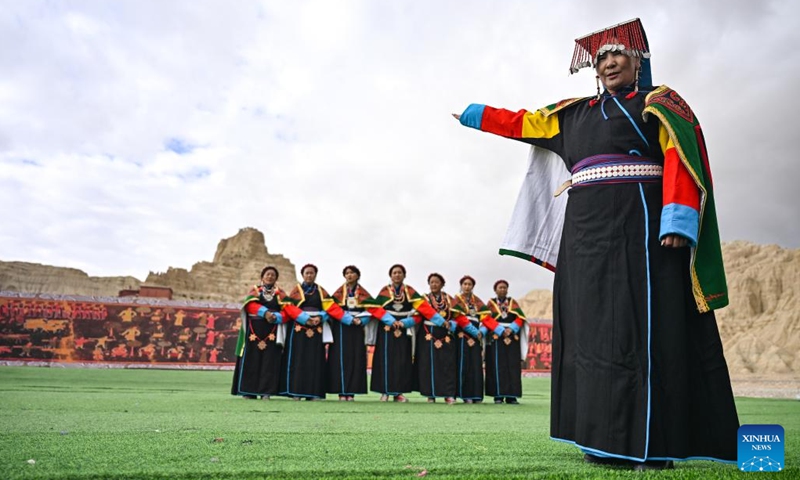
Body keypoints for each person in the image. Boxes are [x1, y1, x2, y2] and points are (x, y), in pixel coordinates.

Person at [455, 18, 738, 470]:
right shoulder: (573, 114)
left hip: (642, 229)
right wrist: (476, 114)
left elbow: (680, 156)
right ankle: (597, 439)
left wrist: (678, 219)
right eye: (602, 57)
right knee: (587, 335)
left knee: (640, 331)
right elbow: (522, 122)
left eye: (618, 54)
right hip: (584, 237)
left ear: (637, 62)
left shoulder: (658, 103)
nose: (609, 63)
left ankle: (651, 445)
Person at [366, 264, 445, 402]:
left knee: (402, 360)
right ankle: (385, 391)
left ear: (404, 275)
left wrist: (441, 321)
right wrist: (390, 320)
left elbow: (424, 309)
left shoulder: (410, 291)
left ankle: (398, 393)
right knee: (385, 359)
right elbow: (374, 308)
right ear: (390, 276)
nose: (397, 275)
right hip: (386, 328)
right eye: (394, 273)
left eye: (400, 273)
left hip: (403, 329)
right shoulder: (385, 291)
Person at [281, 264, 353, 400]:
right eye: (307, 273)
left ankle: (314, 393)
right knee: (298, 359)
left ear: (315, 275)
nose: (309, 275)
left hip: (317, 328)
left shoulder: (321, 291)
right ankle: (296, 392)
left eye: (312, 273)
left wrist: (320, 317)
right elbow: (289, 308)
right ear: (303, 275)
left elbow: (330, 308)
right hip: (299, 329)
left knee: (315, 360)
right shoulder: (296, 291)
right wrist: (305, 318)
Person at [328, 265, 393, 401]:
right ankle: (341, 391)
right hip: (342, 327)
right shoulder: (339, 293)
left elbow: (373, 309)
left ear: (358, 275)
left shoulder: (363, 294)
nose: (349, 275)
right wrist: (348, 319)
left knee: (355, 357)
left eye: (352, 273)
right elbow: (331, 308)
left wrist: (362, 320)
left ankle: (351, 392)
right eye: (347, 273)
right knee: (340, 358)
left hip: (358, 328)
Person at [231, 266, 289, 400]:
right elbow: (249, 305)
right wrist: (265, 313)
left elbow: (288, 311)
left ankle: (266, 392)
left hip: (272, 331)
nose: (270, 277)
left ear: (276, 279)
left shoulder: (281, 294)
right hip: (253, 330)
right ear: (262, 277)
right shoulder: (256, 290)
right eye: (267, 274)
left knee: (270, 361)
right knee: (252, 359)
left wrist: (276, 317)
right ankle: (248, 391)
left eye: (273, 275)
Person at [416, 273, 464, 404]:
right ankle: (430, 394)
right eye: (431, 282)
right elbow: (417, 316)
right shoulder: (424, 299)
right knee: (429, 364)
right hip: (427, 334)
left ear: (442, 284)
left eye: (437, 282)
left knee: (447, 364)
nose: (434, 285)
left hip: (446, 334)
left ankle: (448, 394)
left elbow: (457, 317)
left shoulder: (450, 299)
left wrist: (452, 325)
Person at [481, 280, 527, 405]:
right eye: (500, 287)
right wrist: (500, 330)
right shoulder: (490, 304)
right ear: (495, 290)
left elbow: (520, 318)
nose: (502, 289)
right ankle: (498, 395)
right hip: (496, 338)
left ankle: (512, 396)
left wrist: (511, 329)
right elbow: (485, 318)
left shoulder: (513, 303)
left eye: (505, 287)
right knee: (497, 366)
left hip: (512, 338)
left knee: (512, 366)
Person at [450, 275, 487, 404]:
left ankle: (476, 395)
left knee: (475, 365)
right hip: (462, 336)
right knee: (462, 364)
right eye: (464, 284)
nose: (467, 286)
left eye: (469, 284)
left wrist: (481, 332)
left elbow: (486, 319)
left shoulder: (477, 301)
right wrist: (474, 332)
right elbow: (459, 318)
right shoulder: (456, 300)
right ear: (461, 285)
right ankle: (464, 395)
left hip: (477, 338)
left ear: (473, 286)